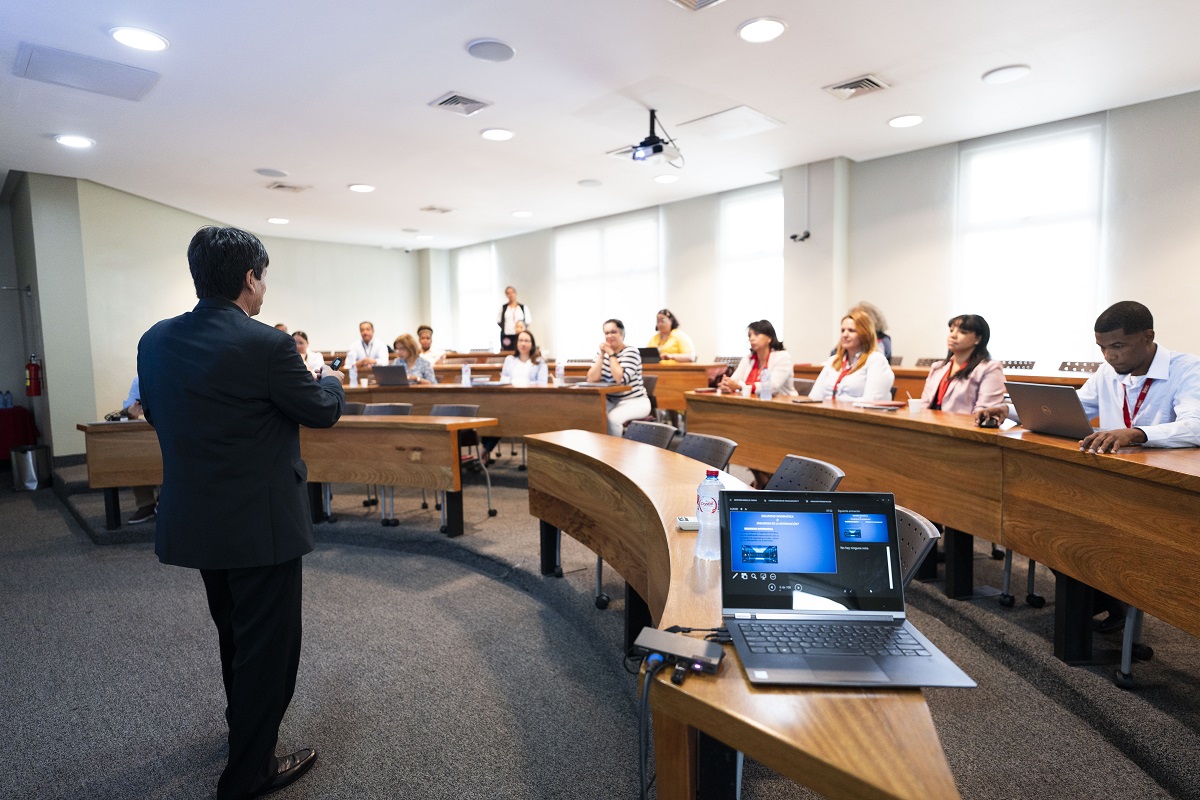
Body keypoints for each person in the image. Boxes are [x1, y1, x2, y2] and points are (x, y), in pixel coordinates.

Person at [137, 226, 345, 800]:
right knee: (270, 650)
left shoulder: (154, 340)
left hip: (198, 519)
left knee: (234, 634)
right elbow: (319, 412)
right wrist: (329, 380)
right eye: (263, 278)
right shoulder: (267, 345)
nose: (263, 291)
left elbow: (156, 412)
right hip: (263, 525)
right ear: (250, 278)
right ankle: (248, 772)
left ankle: (244, 734)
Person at [976, 300, 1200, 630]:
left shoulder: (1186, 369)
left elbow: (1195, 425)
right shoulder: (1108, 371)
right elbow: (1070, 408)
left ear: (1148, 336)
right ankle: (1100, 599)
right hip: (1105, 478)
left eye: (1118, 346)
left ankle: (1109, 600)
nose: (1109, 356)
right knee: (1043, 518)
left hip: (1156, 486)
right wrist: (1006, 411)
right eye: (1102, 348)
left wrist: (1137, 434)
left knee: (1080, 531)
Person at [916, 314, 1006, 413]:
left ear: (978, 339)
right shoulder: (937, 367)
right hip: (931, 424)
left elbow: (985, 411)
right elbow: (924, 404)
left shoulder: (989, 368)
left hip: (965, 426)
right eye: (951, 330)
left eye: (963, 332)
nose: (953, 335)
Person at [482, 329, 548, 459]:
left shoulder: (539, 362)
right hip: (509, 401)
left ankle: (482, 454)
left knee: (505, 416)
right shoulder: (510, 360)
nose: (523, 343)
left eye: (526, 340)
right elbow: (504, 381)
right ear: (517, 343)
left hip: (531, 402)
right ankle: (483, 453)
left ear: (532, 344)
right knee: (495, 415)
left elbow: (542, 384)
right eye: (521, 340)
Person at [809, 310, 895, 401]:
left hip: (858, 414)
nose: (845, 335)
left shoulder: (876, 360)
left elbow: (871, 402)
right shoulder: (833, 361)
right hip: (828, 413)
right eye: (842, 330)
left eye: (851, 330)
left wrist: (836, 401)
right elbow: (814, 396)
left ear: (865, 334)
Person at [587, 318, 651, 436]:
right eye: (606, 333)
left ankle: (615, 452)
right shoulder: (602, 354)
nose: (609, 336)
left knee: (613, 419)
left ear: (622, 334)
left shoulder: (631, 352)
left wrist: (611, 354)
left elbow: (620, 379)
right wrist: (601, 355)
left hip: (635, 401)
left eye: (613, 332)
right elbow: (591, 379)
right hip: (611, 401)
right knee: (591, 415)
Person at [718, 320, 797, 397]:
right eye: (749, 335)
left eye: (756, 334)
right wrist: (727, 385)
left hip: (784, 403)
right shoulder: (748, 359)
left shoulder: (782, 357)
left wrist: (741, 387)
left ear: (769, 338)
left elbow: (772, 387)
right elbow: (734, 381)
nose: (751, 338)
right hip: (754, 402)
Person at [120, 376, 159, 524]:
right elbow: (127, 412)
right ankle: (145, 503)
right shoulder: (140, 380)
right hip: (149, 433)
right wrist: (131, 411)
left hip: (174, 429)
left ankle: (166, 499)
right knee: (134, 449)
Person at [497, 286, 530, 350]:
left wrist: (520, 329)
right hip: (507, 336)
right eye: (508, 293)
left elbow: (527, 322)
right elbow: (499, 321)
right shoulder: (503, 308)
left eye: (512, 292)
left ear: (515, 293)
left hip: (520, 336)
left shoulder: (523, 307)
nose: (510, 295)